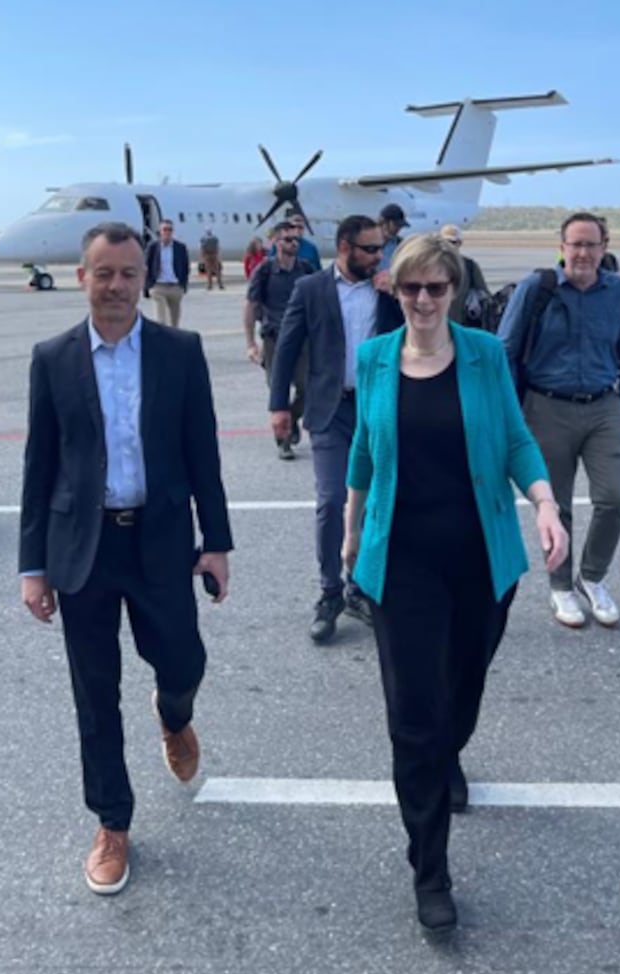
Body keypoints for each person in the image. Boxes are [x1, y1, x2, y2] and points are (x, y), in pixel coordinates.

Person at [343, 234, 567, 933]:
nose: (423, 300)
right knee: (414, 719)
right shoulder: (375, 358)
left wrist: (546, 502)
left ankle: (450, 752)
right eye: (411, 288)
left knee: (460, 696)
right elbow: (362, 452)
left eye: (436, 288)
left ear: (455, 291)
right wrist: (350, 534)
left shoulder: (484, 354)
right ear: (397, 291)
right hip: (400, 564)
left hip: (479, 559)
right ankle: (431, 873)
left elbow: (515, 440)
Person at [19, 221, 232, 896]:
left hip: (161, 539)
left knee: (183, 661)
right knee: (94, 693)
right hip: (82, 546)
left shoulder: (180, 350)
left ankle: (173, 713)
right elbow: (39, 466)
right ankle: (112, 821)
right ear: (81, 277)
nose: (116, 286)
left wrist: (217, 541)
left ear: (146, 278)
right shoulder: (53, 358)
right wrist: (32, 567)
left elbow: (204, 450)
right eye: (103, 273)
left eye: (128, 274)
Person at [498, 212, 620, 629]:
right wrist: (514, 409)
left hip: (603, 407)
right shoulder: (536, 288)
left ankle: (592, 577)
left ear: (604, 247)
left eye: (591, 244)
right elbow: (505, 349)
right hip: (547, 407)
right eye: (575, 244)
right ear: (561, 246)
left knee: (614, 496)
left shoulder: (617, 291)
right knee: (555, 505)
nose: (582, 252)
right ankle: (560, 586)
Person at [268, 214, 403, 644]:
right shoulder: (311, 289)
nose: (378, 255)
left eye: (380, 248)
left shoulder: (388, 290)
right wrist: (278, 406)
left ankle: (360, 585)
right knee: (331, 500)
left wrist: (399, 295)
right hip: (330, 408)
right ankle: (330, 592)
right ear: (344, 247)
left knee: (377, 501)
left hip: (378, 408)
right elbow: (287, 346)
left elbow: (424, 331)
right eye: (370, 248)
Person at [243, 220, 314, 460]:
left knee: (307, 388)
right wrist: (251, 343)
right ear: (275, 241)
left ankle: (292, 418)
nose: (294, 243)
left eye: (297, 239)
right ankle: (283, 441)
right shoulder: (264, 271)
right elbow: (251, 306)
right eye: (288, 239)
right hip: (274, 338)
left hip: (303, 339)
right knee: (278, 389)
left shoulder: (306, 269)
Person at [439, 223, 490, 328]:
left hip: (462, 325)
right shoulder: (430, 265)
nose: (449, 245)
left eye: (453, 242)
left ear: (459, 243)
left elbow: (484, 294)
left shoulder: (469, 266)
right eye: (445, 242)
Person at [144, 219, 190, 327]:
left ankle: (172, 340)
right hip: (158, 286)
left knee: (174, 322)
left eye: (170, 229)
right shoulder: (153, 247)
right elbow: (146, 266)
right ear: (160, 231)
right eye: (165, 229)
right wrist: (148, 286)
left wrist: (183, 286)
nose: (167, 232)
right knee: (161, 319)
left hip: (175, 287)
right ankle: (161, 339)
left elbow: (185, 267)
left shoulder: (180, 248)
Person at [378, 203, 409, 268]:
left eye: (400, 226)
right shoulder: (367, 242)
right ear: (383, 222)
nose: (398, 229)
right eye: (395, 225)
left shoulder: (400, 244)